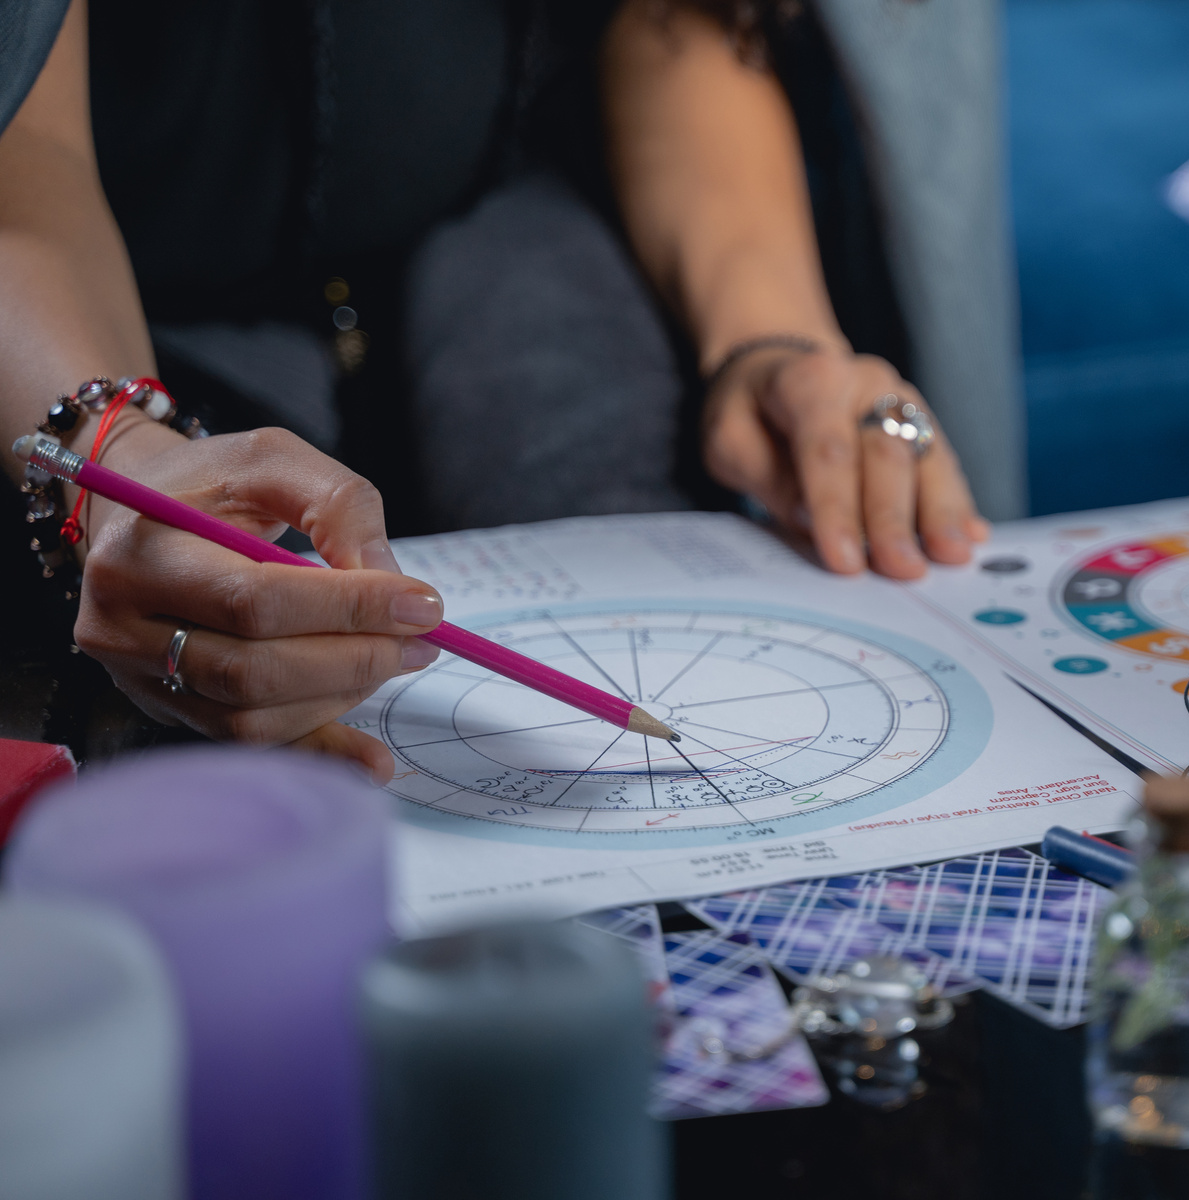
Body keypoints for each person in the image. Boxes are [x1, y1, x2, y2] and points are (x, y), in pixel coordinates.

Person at [0, 0, 989, 781]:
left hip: (504, 205)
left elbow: (678, 20)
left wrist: (769, 344)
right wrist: (109, 453)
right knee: (222, 663)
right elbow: (24, 153)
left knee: (621, 528)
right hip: (116, 279)